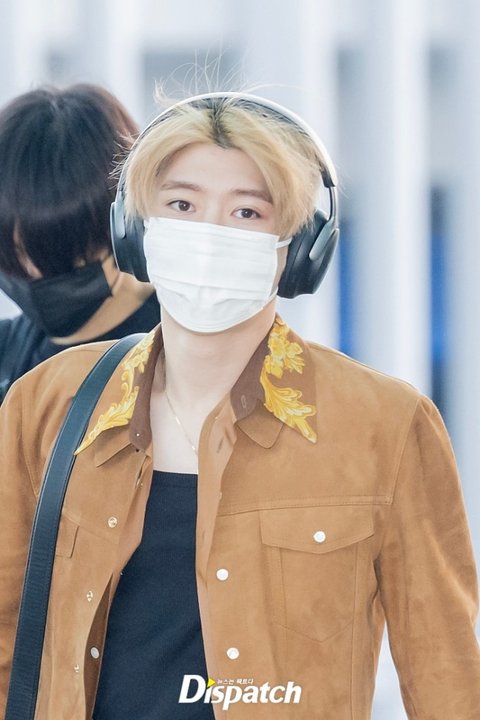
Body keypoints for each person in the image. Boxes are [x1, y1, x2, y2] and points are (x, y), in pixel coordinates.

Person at [0, 92, 479, 720]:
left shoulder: (385, 426)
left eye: (248, 211)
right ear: (136, 232)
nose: (209, 234)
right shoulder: (45, 403)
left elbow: (449, 681)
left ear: (300, 249)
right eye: (181, 205)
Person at [0, 83, 160, 404]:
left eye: (52, 251)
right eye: (13, 254)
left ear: (124, 222)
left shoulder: (178, 356)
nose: (32, 271)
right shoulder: (8, 351)